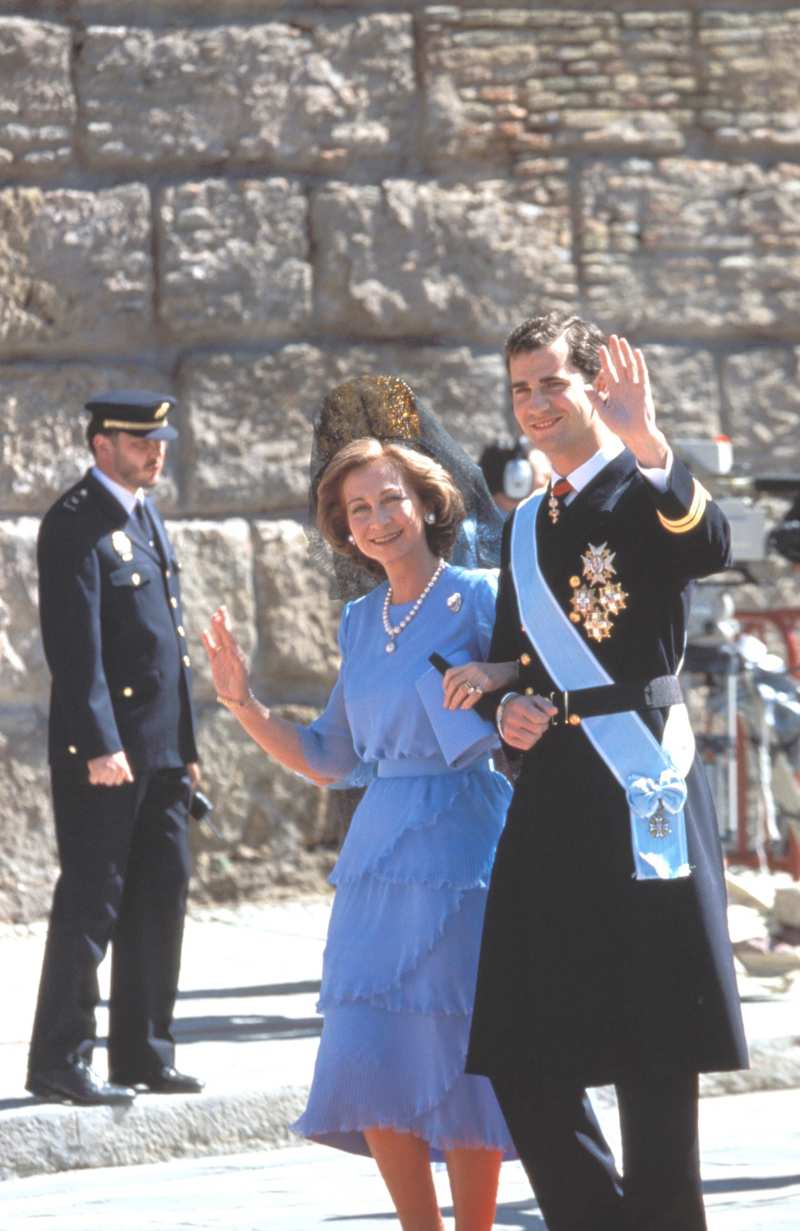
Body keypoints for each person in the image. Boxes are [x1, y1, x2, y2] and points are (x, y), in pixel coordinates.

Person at [203, 376, 517, 1231]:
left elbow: (543, 691)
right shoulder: (357, 622)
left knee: (459, 1054)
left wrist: (501, 678)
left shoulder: (483, 595)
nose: (378, 518)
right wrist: (240, 699)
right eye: (359, 510)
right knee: (368, 1051)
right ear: (343, 529)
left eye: (392, 499)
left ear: (426, 500)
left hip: (466, 851)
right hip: (377, 859)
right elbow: (327, 758)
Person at [460, 313, 749, 1231]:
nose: (537, 404)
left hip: (640, 788)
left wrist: (650, 439)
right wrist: (500, 707)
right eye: (522, 389)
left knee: (655, 1057)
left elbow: (711, 547)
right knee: (518, 1047)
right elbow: (511, 658)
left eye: (554, 383)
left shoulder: (645, 487)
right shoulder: (520, 525)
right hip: (554, 797)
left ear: (595, 386)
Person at [26, 390, 204, 1106]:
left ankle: (143, 1051)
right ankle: (59, 1058)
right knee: (92, 903)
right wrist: (100, 744)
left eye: (160, 440)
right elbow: (77, 651)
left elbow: (172, 643)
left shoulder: (143, 512)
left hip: (160, 753)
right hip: (106, 755)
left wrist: (187, 748)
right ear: (102, 444)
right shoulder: (75, 524)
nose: (155, 452)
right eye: (140, 441)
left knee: (162, 896)